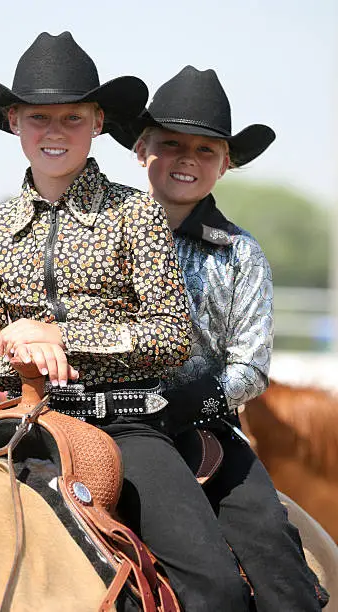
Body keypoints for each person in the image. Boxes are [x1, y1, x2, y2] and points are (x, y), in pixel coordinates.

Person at [0, 33, 252, 611]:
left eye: (73, 116)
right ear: (13, 120)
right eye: (38, 116)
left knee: (217, 589)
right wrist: (18, 351)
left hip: (124, 426)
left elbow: (169, 336)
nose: (55, 131)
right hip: (18, 420)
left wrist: (62, 337)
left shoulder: (135, 212)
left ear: (96, 123)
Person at [110, 66, 326, 611]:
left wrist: (193, 399)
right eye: (171, 144)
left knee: (272, 546)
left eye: (206, 150)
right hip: (101, 415)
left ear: (226, 163)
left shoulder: (240, 253)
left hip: (198, 423)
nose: (187, 159)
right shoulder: (100, 236)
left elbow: (251, 366)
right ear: (141, 150)